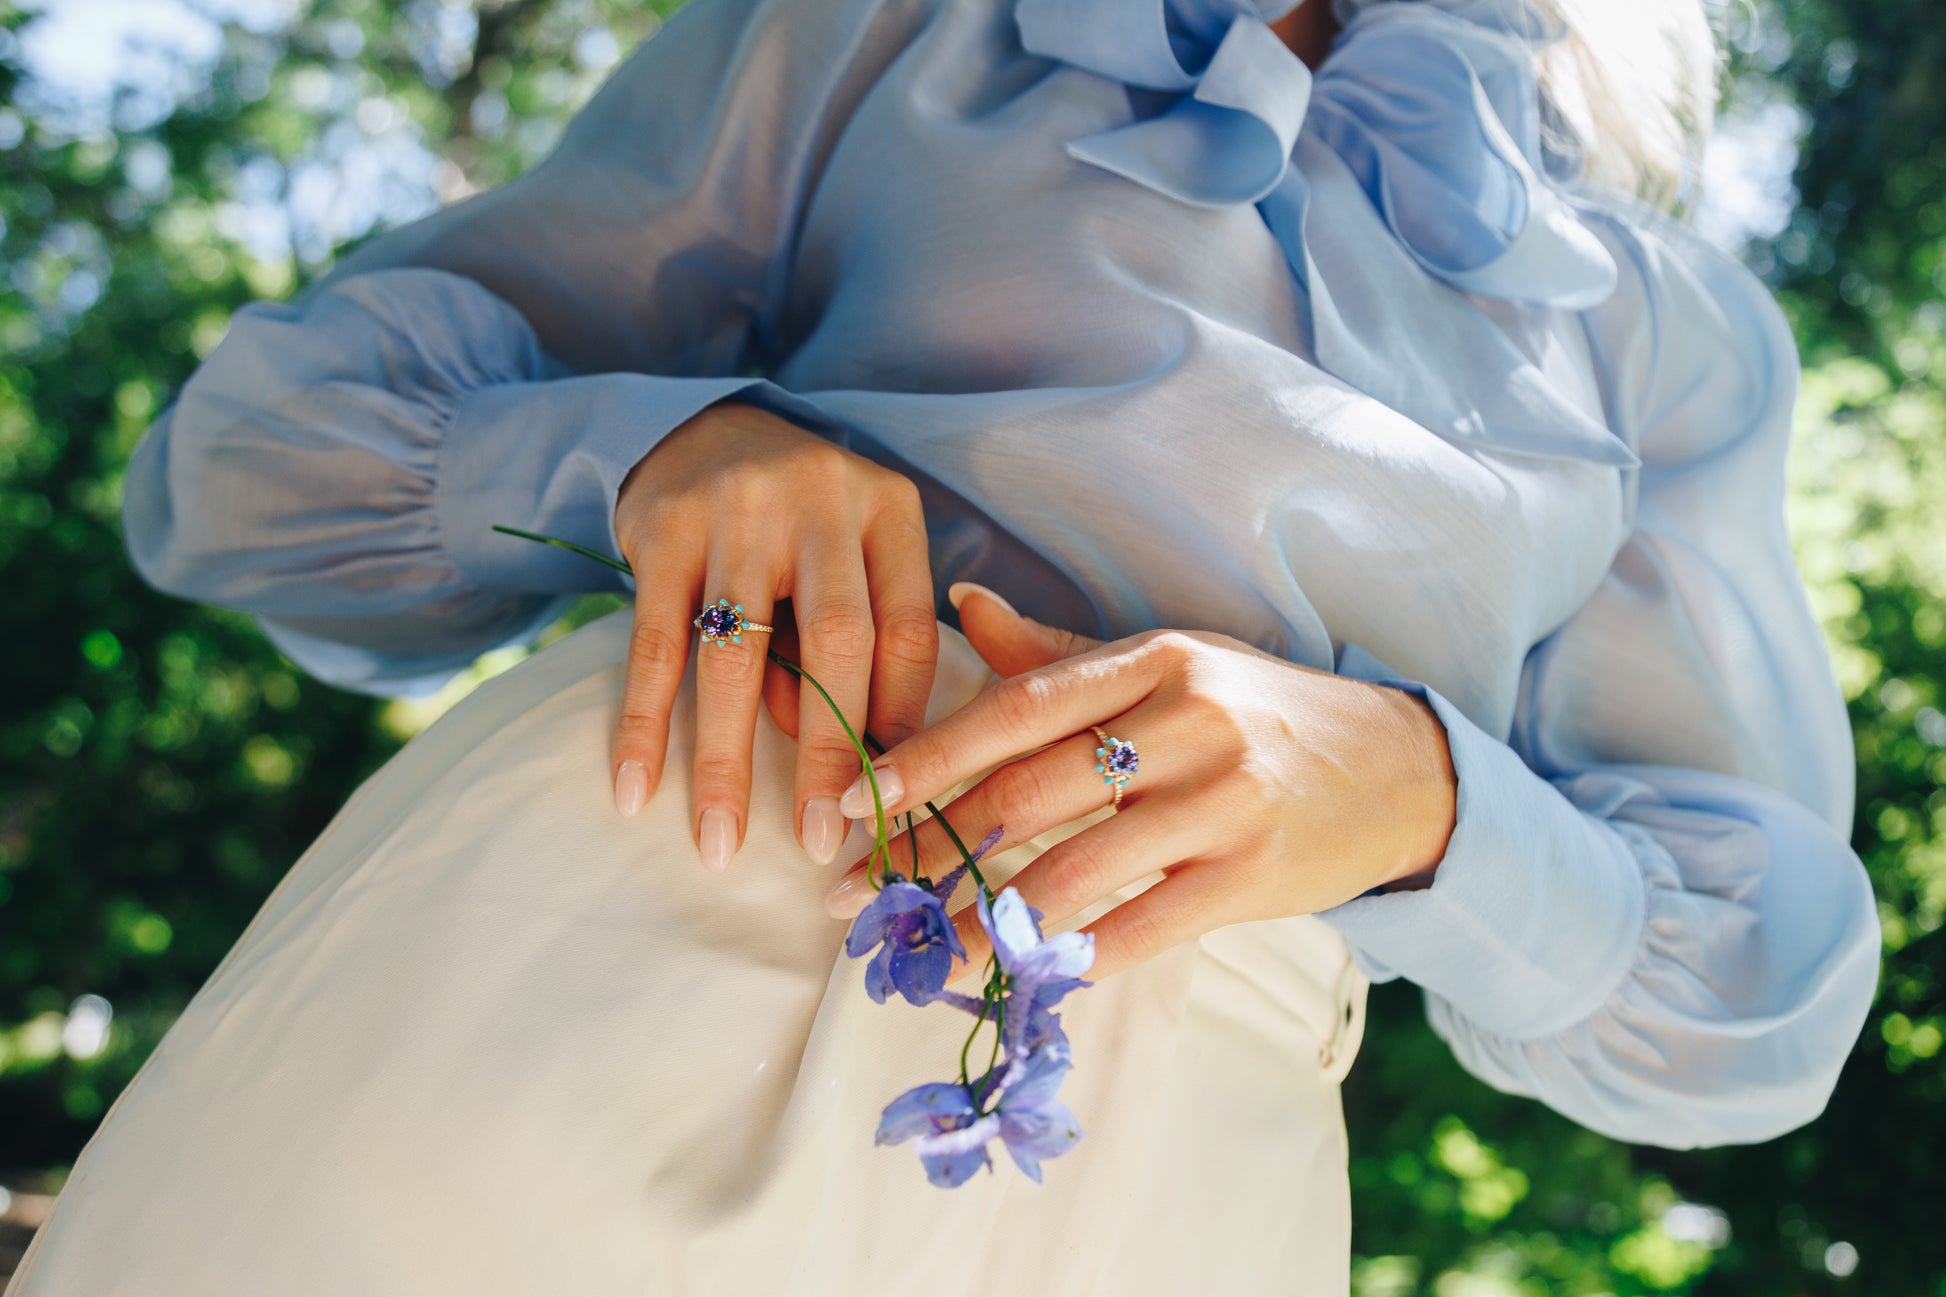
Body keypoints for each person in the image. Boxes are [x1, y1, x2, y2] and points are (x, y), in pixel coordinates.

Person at [12, 0, 1881, 1291]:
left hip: (1144, 1199)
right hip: (557, 961)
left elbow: (1749, 999)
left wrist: (1422, 799)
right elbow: (244, 468)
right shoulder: (887, 32)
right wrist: (662, 444)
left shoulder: (1658, 333)